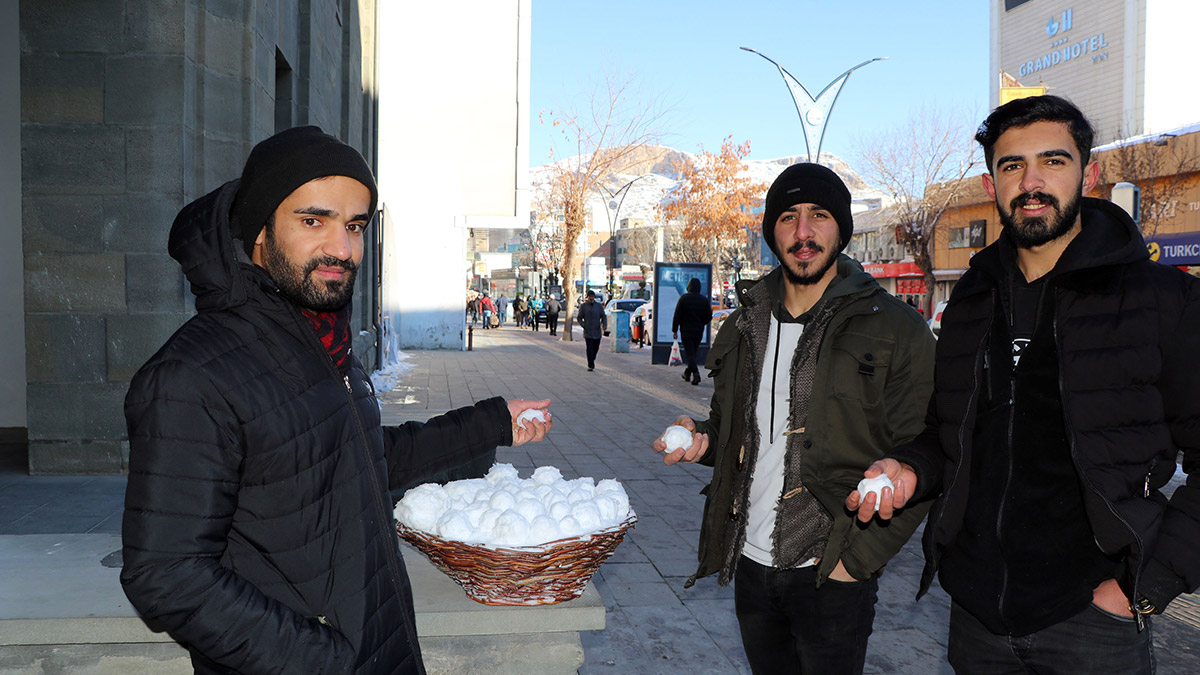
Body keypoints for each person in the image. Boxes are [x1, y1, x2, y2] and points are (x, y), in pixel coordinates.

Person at [119, 125, 553, 674]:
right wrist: (325, 660)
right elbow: (166, 574)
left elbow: (361, 459)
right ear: (259, 232)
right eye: (312, 220)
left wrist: (491, 424)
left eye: (354, 225)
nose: (342, 249)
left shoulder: (319, 342)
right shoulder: (191, 375)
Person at [846, 95, 1200, 673]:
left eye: (1053, 161)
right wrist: (909, 468)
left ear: (1091, 172)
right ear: (992, 183)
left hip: (1096, 625)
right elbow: (950, 432)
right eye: (1012, 166)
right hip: (978, 617)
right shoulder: (972, 298)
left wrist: (1146, 586)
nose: (1031, 181)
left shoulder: (1164, 300)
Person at [652, 163, 936, 674]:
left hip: (834, 572)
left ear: (841, 228)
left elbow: (927, 452)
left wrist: (857, 562)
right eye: (788, 217)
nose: (803, 232)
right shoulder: (744, 323)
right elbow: (734, 432)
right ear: (772, 231)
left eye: (819, 216)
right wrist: (703, 441)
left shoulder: (896, 328)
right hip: (752, 567)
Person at [671, 277, 713, 386]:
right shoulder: (703, 300)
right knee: (693, 352)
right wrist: (701, 323)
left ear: (688, 287)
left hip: (686, 330)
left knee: (690, 353)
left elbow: (677, 315)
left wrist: (674, 330)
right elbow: (709, 316)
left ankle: (696, 373)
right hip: (698, 330)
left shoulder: (684, 298)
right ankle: (687, 373)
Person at [576, 289, 607, 371]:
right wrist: (584, 325)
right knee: (589, 348)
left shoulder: (599, 306)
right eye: (590, 296)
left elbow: (603, 316)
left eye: (593, 296)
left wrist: (604, 324)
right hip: (588, 331)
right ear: (587, 297)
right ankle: (590, 364)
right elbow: (579, 318)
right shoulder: (584, 306)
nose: (591, 298)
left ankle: (592, 359)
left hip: (597, 331)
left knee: (596, 348)